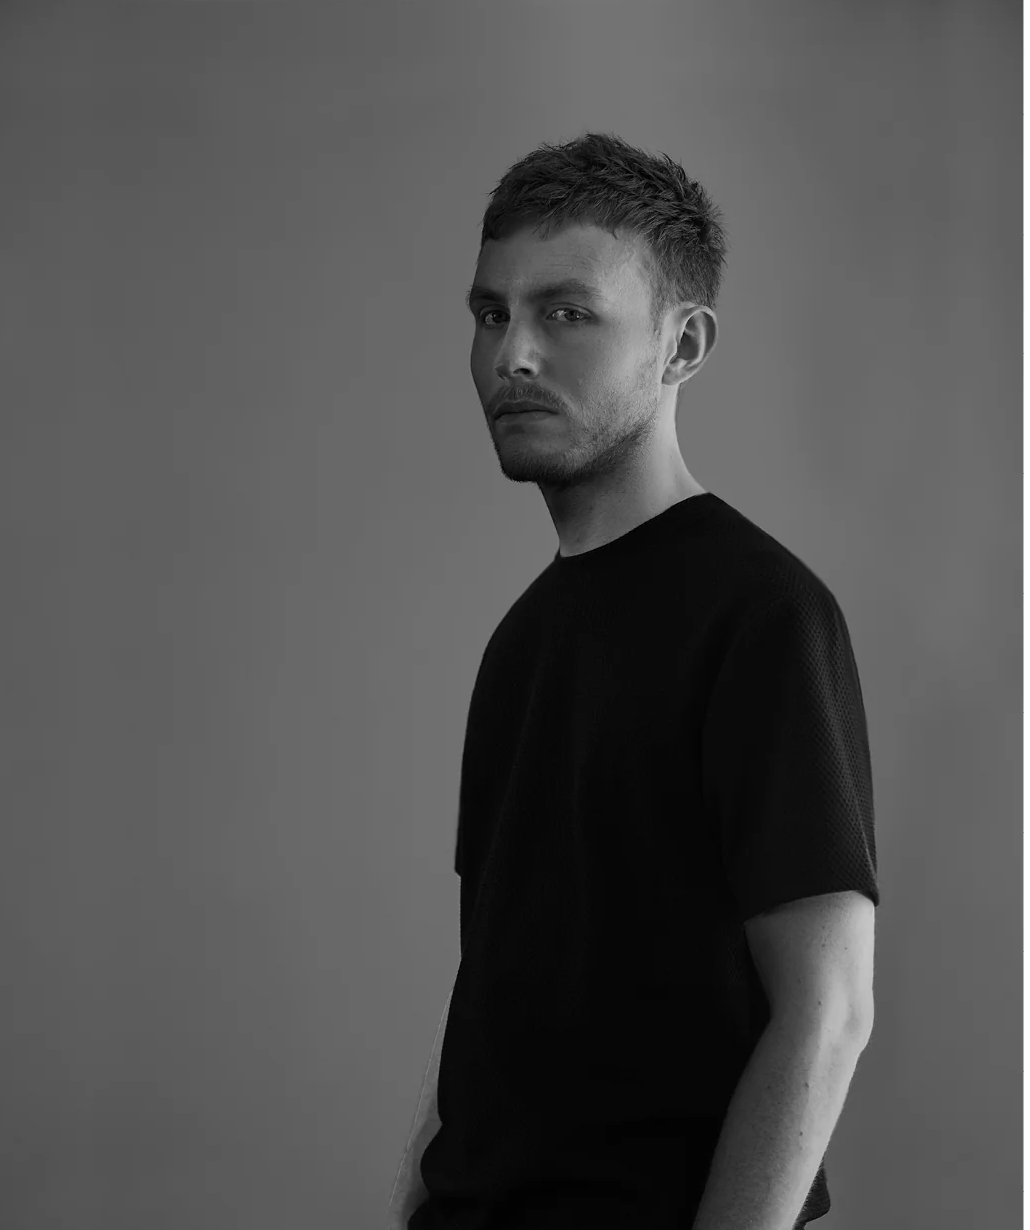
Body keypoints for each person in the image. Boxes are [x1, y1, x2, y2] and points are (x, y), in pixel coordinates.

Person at [387, 132, 879, 1230]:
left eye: (567, 312)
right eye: (491, 314)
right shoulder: (521, 641)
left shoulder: (762, 616)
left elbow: (828, 1015)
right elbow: (495, 992)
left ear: (681, 345)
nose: (512, 355)